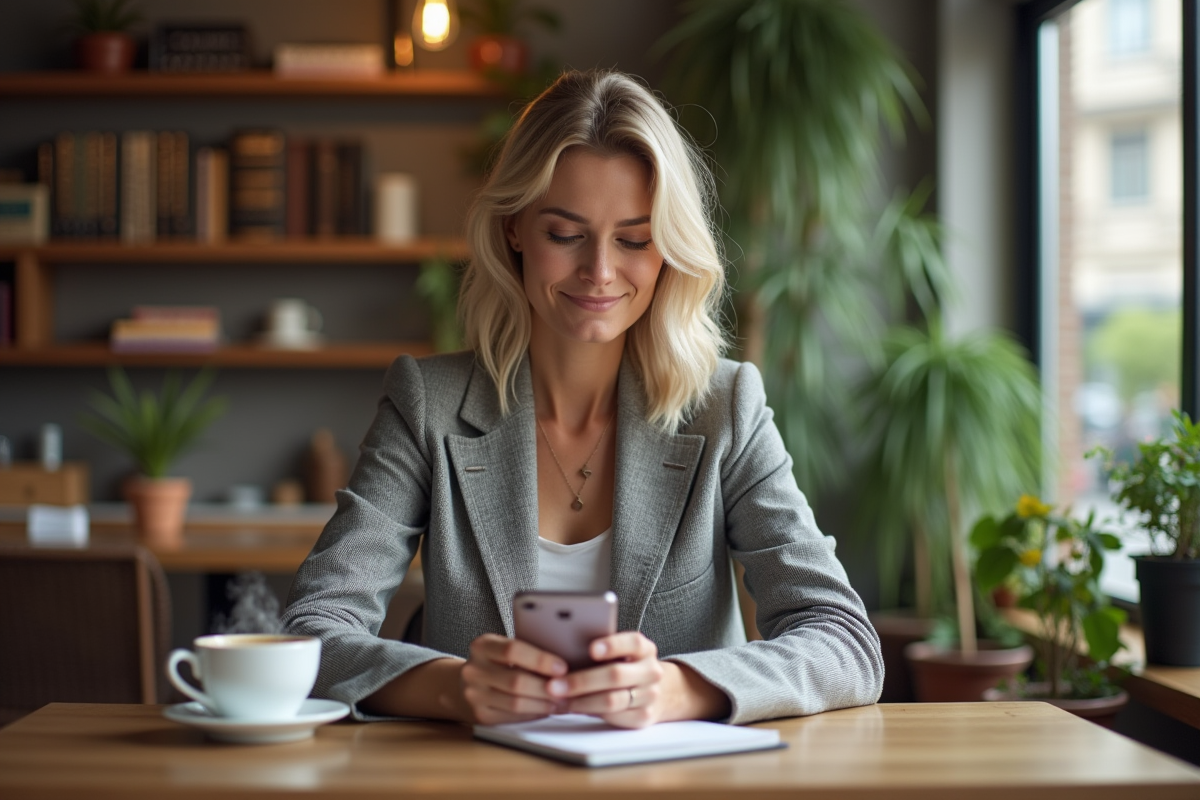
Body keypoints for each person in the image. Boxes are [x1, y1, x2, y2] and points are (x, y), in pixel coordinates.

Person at [281, 69, 883, 728]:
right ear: (514, 228)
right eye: (565, 235)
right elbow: (313, 629)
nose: (599, 271)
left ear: (670, 249)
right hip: (482, 780)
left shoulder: (725, 405)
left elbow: (844, 642)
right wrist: (453, 688)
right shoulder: (428, 402)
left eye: (633, 239)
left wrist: (679, 689)